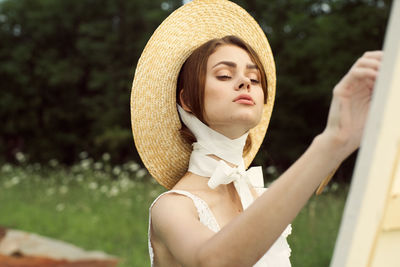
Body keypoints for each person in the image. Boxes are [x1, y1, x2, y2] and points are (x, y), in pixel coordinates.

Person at [130, 1, 382, 266]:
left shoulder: (264, 200)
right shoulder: (172, 208)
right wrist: (333, 141)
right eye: (225, 75)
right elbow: (215, 261)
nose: (245, 82)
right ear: (187, 101)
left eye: (255, 78)